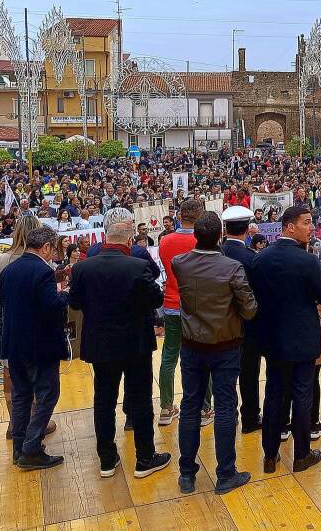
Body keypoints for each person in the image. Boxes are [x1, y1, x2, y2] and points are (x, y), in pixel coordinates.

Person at [70, 209, 171, 479]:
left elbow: (75, 303)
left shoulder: (81, 267)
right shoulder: (137, 267)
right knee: (140, 400)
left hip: (100, 345)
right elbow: (156, 300)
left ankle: (106, 459)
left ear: (104, 238)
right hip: (134, 344)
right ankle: (145, 458)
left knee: (103, 400)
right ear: (128, 242)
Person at [172, 210, 257, 495]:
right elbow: (249, 308)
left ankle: (186, 474)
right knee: (224, 407)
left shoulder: (179, 263)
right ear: (220, 235)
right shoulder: (232, 268)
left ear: (195, 235)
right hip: (226, 346)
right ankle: (225, 474)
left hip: (192, 345)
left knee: (190, 406)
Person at [249, 205, 321, 475]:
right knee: (302, 395)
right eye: (306, 223)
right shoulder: (307, 260)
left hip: (273, 338)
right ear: (289, 226)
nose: (311, 227)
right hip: (302, 338)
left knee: (273, 395)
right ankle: (301, 455)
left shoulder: (260, 259)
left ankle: (270, 457)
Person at [0, 226, 69, 470]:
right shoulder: (43, 271)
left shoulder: (8, 271)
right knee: (48, 395)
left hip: (13, 343)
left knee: (21, 397)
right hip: (39, 346)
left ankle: (19, 449)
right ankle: (31, 448)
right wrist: (65, 295)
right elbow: (51, 306)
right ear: (47, 246)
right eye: (53, 249)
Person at [155, 199, 207, 428]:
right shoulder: (203, 240)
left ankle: (166, 408)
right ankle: (205, 408)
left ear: (179, 216)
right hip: (198, 306)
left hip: (171, 304)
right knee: (204, 356)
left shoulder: (165, 241)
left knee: (169, 356)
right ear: (199, 216)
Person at [220, 205, 263, 434]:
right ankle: (250, 417)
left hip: (219, 325)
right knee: (249, 374)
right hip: (248, 326)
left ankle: (228, 417)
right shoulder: (251, 258)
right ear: (247, 230)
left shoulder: (216, 254)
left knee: (224, 376)